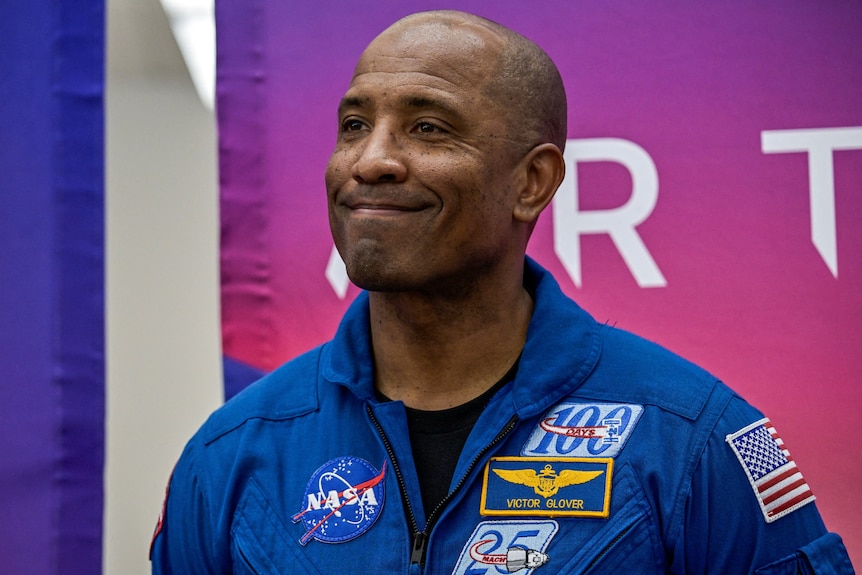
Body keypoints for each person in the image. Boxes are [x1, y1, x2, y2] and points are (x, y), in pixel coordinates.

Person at [150, 10, 855, 574]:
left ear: (533, 182)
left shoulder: (690, 438)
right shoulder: (232, 454)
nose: (371, 160)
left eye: (428, 127)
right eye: (355, 125)